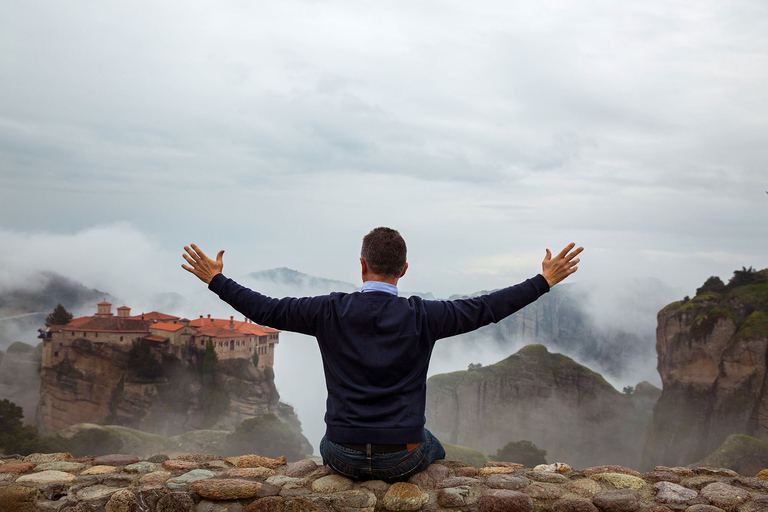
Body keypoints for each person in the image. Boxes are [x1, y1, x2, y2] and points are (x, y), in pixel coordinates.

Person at [182, 227, 582, 482]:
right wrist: (543, 281)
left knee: (332, 441)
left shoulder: (328, 310)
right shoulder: (425, 315)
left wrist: (216, 280)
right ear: (404, 269)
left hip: (341, 453)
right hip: (404, 457)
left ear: (361, 265)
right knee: (434, 446)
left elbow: (265, 309)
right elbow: (486, 308)